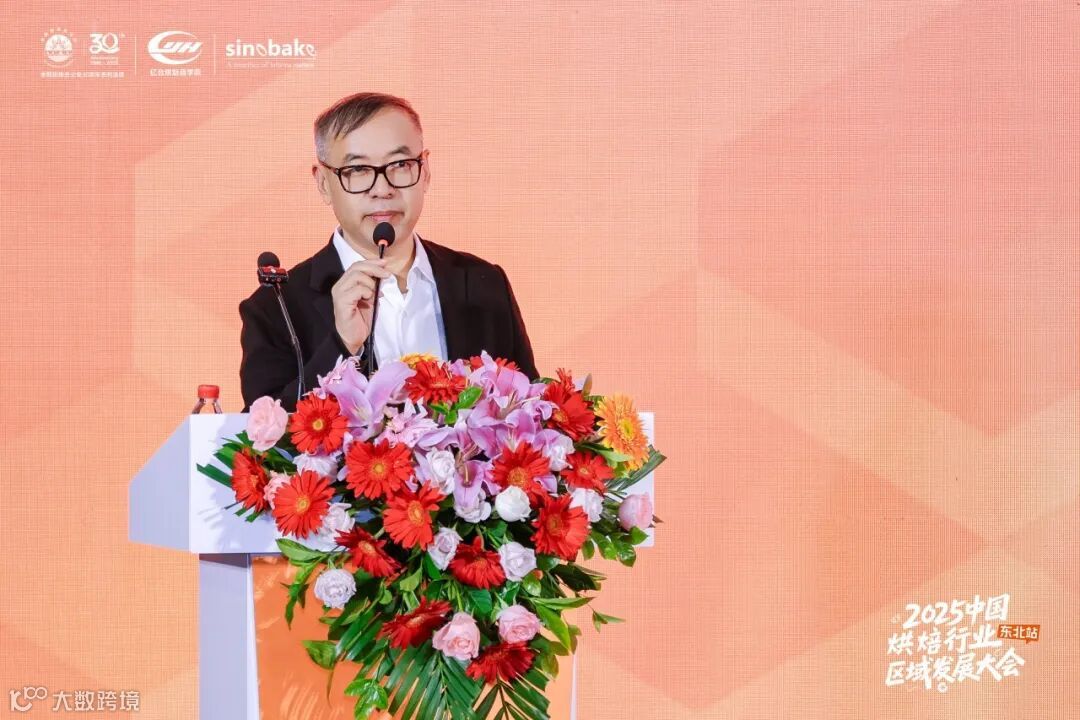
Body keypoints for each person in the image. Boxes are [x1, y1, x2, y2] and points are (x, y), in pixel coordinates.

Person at [239, 92, 538, 411]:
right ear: (323, 183)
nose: (382, 189)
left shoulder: (483, 283)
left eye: (400, 165)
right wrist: (342, 344)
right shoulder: (276, 307)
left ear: (425, 170)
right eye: (357, 170)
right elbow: (261, 432)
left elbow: (528, 409)